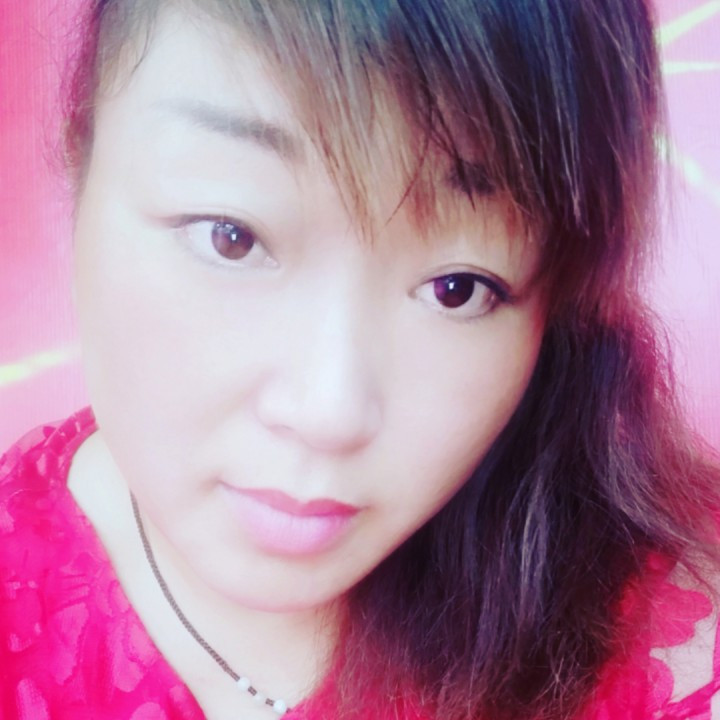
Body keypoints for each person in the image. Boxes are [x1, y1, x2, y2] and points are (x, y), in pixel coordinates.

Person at [1, 0, 719, 718]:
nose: (330, 412)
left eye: (458, 289)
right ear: (80, 168)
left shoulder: (666, 630)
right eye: (231, 237)